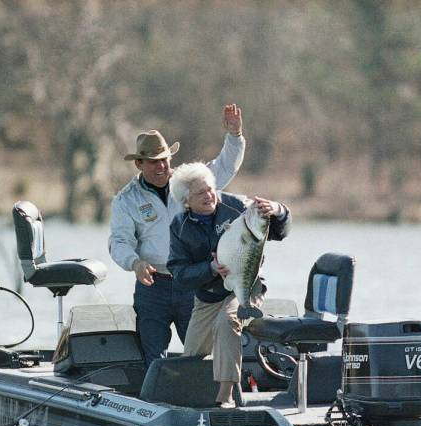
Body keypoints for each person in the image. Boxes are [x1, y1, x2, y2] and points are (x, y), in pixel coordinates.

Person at [109, 105, 245, 367]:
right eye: (153, 161)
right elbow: (119, 241)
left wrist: (234, 135)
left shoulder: (189, 183)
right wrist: (134, 263)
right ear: (139, 163)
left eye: (165, 159)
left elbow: (225, 166)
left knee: (200, 357)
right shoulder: (126, 199)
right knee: (153, 358)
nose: (161, 166)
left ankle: (209, 403)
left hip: (193, 280)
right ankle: (154, 405)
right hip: (153, 287)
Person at [166, 162, 291, 407]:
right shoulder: (179, 226)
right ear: (186, 201)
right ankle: (194, 401)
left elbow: (278, 231)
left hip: (246, 286)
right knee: (192, 353)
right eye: (200, 193)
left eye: (210, 189)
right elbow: (179, 273)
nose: (209, 195)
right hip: (208, 296)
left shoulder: (236, 206)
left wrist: (278, 210)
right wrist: (210, 268)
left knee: (227, 321)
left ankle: (226, 397)